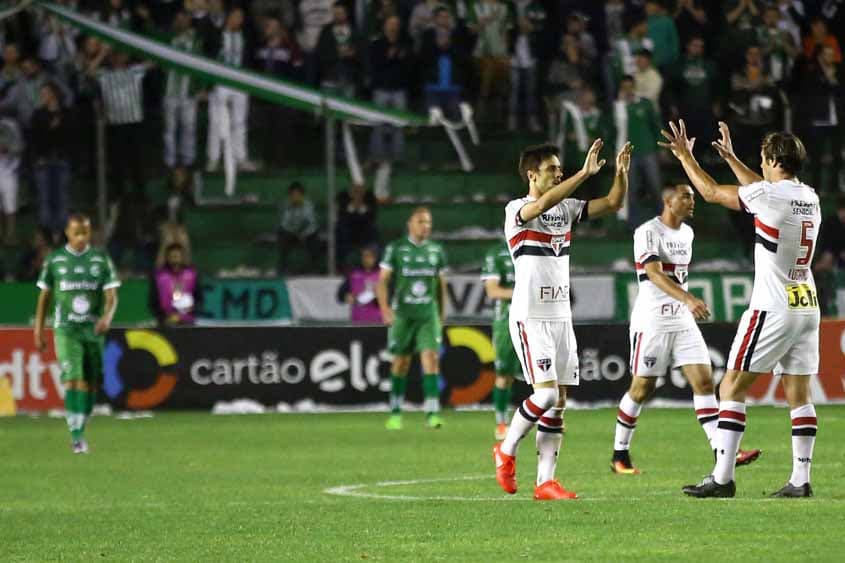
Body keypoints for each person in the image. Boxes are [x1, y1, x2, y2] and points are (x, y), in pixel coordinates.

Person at [660, 120, 821, 498]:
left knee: (731, 385)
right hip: (806, 301)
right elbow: (760, 188)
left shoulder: (769, 196)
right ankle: (800, 480)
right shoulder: (808, 195)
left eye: (762, 161)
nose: (760, 166)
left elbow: (712, 191)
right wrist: (731, 157)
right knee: (799, 391)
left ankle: (722, 477)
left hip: (773, 304)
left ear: (770, 160)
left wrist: (685, 156)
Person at [493, 139, 633, 501]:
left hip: (560, 317)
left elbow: (614, 203)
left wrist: (620, 174)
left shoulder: (567, 208)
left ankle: (545, 482)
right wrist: (585, 174)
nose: (559, 172)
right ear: (531, 174)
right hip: (530, 316)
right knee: (546, 393)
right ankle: (506, 449)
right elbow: (541, 204)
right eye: (552, 169)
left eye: (560, 168)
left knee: (558, 401)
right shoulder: (516, 209)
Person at [610, 184, 761, 475]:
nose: (692, 201)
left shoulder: (688, 234)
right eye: (686, 196)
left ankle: (722, 450)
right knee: (642, 388)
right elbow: (653, 274)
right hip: (652, 321)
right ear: (667, 200)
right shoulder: (647, 232)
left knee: (704, 382)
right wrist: (689, 298)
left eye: (693, 196)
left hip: (681, 320)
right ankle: (619, 454)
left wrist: (685, 304)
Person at [34, 213, 120, 454]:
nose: (81, 237)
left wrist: (106, 318)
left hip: (92, 330)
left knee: (92, 381)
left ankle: (81, 422)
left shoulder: (100, 260)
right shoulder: (55, 260)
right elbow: (44, 298)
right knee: (74, 377)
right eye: (76, 233)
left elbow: (111, 296)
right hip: (66, 329)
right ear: (67, 233)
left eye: (86, 232)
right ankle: (77, 436)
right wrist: (38, 330)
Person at [377, 207, 448, 430]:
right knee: (401, 363)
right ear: (410, 224)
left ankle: (432, 412)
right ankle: (396, 412)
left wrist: (442, 314)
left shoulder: (436, 251)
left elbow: (441, 286)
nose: (425, 226)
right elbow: (381, 282)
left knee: (431, 359)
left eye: (428, 222)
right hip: (404, 315)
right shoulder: (396, 249)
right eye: (421, 222)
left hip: (428, 314)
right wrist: (385, 309)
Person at [481, 240, 520, 440]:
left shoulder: (537, 248)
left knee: (544, 372)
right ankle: (502, 423)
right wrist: (522, 294)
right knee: (505, 374)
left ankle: (550, 419)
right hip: (506, 321)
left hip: (535, 319)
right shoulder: (496, 253)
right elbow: (492, 290)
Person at [150, 242, 200, 326]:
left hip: (188, 323)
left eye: (177, 256)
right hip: (165, 323)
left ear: (182, 257)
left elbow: (199, 299)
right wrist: (164, 318)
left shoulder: (192, 274)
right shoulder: (159, 276)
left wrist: (189, 313)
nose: (175, 259)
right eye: (172, 256)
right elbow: (153, 301)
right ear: (167, 257)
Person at [277, 181, 320, 274]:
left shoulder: (308, 205)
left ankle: (314, 269)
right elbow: (284, 224)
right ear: (290, 196)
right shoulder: (286, 205)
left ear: (302, 195)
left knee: (315, 239)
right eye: (293, 195)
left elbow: (312, 223)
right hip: (291, 232)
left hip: (306, 233)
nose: (295, 197)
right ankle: (283, 268)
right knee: (283, 236)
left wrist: (303, 234)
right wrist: (294, 233)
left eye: (298, 194)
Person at [337, 245, 381, 323]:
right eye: (364, 256)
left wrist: (379, 296)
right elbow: (340, 295)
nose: (366, 259)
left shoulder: (382, 275)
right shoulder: (354, 273)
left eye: (370, 256)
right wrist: (346, 296)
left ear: (375, 258)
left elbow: (391, 299)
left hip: (377, 321)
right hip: (357, 320)